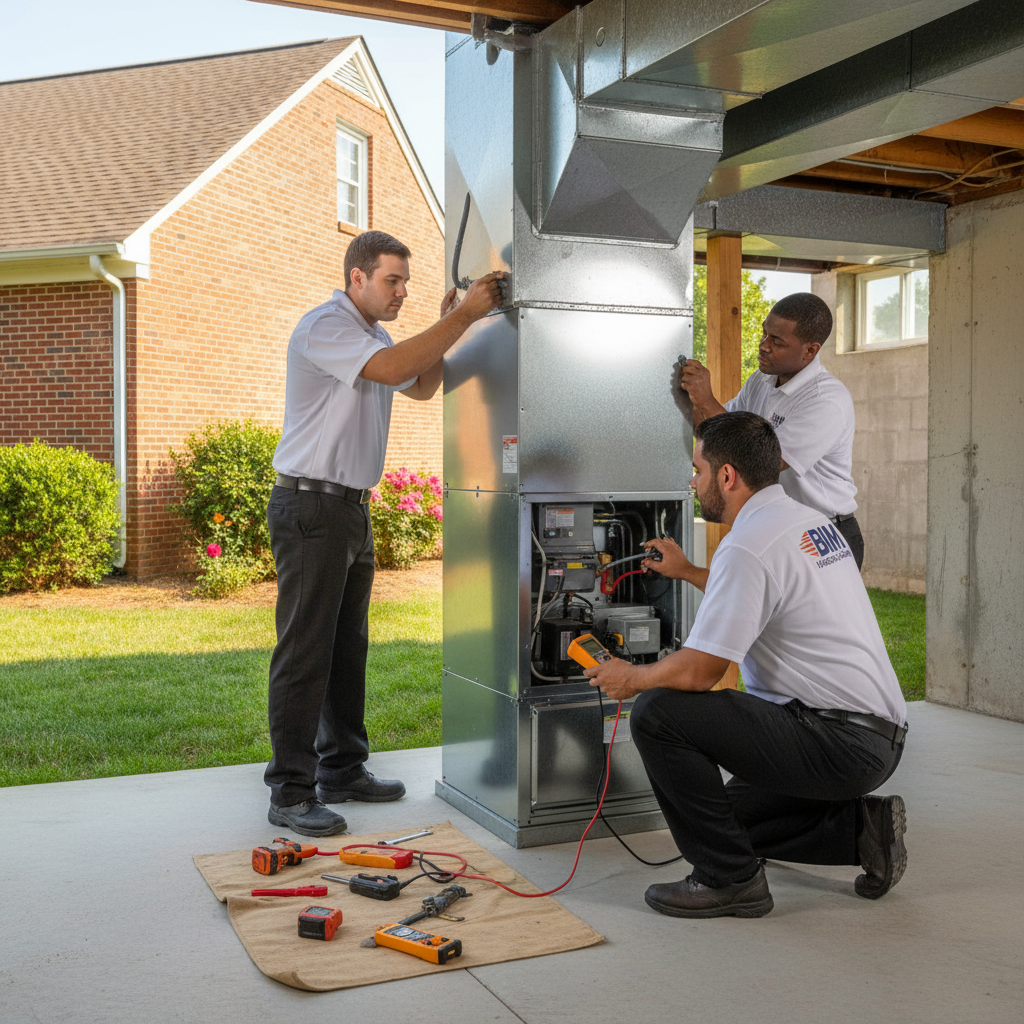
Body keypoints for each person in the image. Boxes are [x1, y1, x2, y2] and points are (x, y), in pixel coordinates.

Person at [585, 411, 907, 918]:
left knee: (657, 712)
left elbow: (700, 673)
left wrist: (633, 678)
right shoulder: (805, 521)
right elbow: (760, 590)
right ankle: (861, 832)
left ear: (728, 475)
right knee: (718, 823)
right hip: (875, 739)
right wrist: (687, 571)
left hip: (836, 741)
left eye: (698, 471)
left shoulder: (748, 544)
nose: (694, 483)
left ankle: (730, 880)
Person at [264, 230, 505, 837]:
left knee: (347, 648)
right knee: (305, 650)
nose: (401, 291)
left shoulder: (373, 337)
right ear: (357, 277)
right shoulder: (326, 327)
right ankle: (290, 791)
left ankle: (342, 770)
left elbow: (420, 383)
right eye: (392, 280)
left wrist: (452, 328)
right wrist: (463, 316)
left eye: (405, 282)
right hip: (311, 505)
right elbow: (398, 368)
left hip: (349, 509)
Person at [679, 292, 864, 569]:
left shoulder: (826, 399)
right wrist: (692, 398)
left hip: (823, 533)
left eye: (777, 341)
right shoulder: (762, 380)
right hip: (776, 526)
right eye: (765, 334)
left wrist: (707, 402)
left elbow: (762, 462)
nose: (764, 346)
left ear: (810, 351)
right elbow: (715, 432)